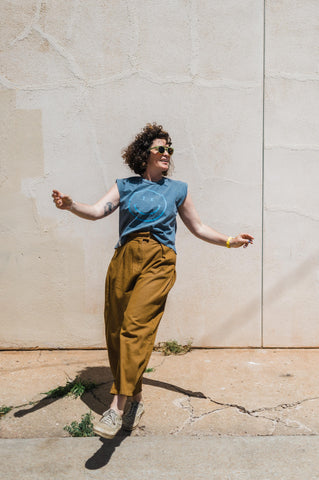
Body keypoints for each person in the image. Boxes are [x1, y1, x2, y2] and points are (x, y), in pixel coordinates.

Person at [52, 123, 254, 439]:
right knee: (118, 331)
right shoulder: (125, 185)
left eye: (169, 150)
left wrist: (230, 240)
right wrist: (70, 205)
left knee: (135, 326)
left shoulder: (177, 190)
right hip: (124, 259)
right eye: (161, 148)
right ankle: (136, 401)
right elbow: (95, 211)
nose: (166, 154)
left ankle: (116, 407)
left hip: (159, 260)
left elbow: (198, 227)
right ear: (144, 154)